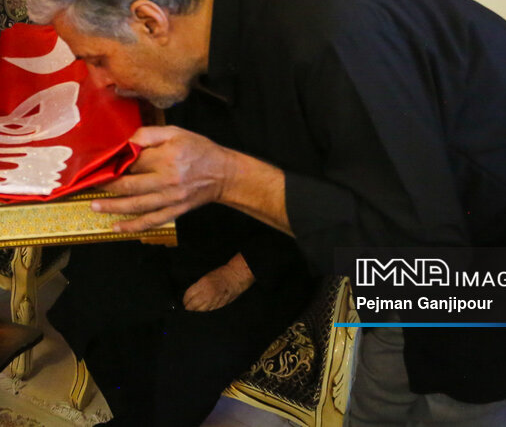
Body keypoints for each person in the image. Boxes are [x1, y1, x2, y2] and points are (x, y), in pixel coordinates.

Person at [26, 0, 506, 426]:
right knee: (380, 403)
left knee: (464, 406)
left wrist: (225, 175)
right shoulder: (237, 2)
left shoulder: (328, 31)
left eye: (97, 59)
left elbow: (420, 253)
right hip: (405, 255)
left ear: (149, 19)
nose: (99, 82)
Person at [48, 90, 316, 427]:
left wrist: (237, 273)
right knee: (97, 292)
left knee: (193, 352)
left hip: (259, 249)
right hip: (173, 221)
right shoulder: (175, 84)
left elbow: (316, 201)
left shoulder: (298, 88)